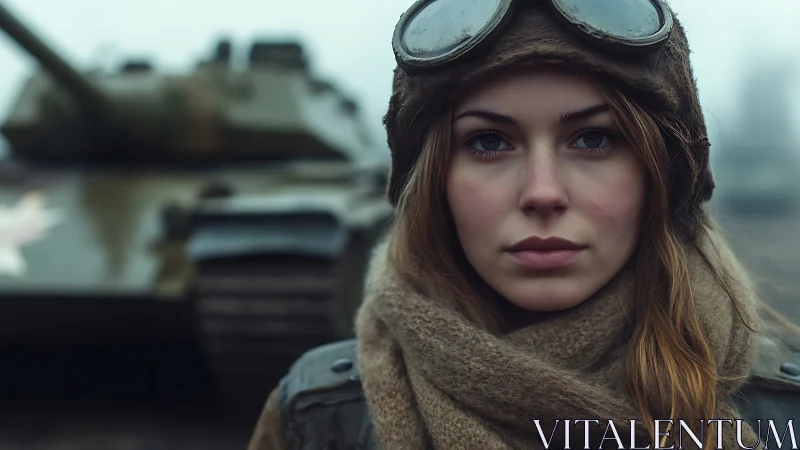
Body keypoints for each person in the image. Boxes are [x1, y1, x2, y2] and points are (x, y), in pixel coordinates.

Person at [249, 1, 800, 449]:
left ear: (662, 176)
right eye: (488, 142)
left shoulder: (782, 412)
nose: (542, 193)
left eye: (594, 139)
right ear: (434, 180)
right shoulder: (319, 415)